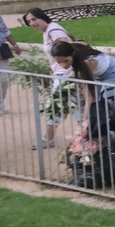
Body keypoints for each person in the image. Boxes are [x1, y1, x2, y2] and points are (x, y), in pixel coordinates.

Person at [24, 8, 73, 149]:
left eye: (34, 19)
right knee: (63, 107)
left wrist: (68, 72)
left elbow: (68, 48)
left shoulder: (53, 30)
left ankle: (48, 139)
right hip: (61, 73)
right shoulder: (49, 31)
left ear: (42, 17)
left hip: (65, 74)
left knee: (57, 107)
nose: (32, 23)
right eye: (29, 22)